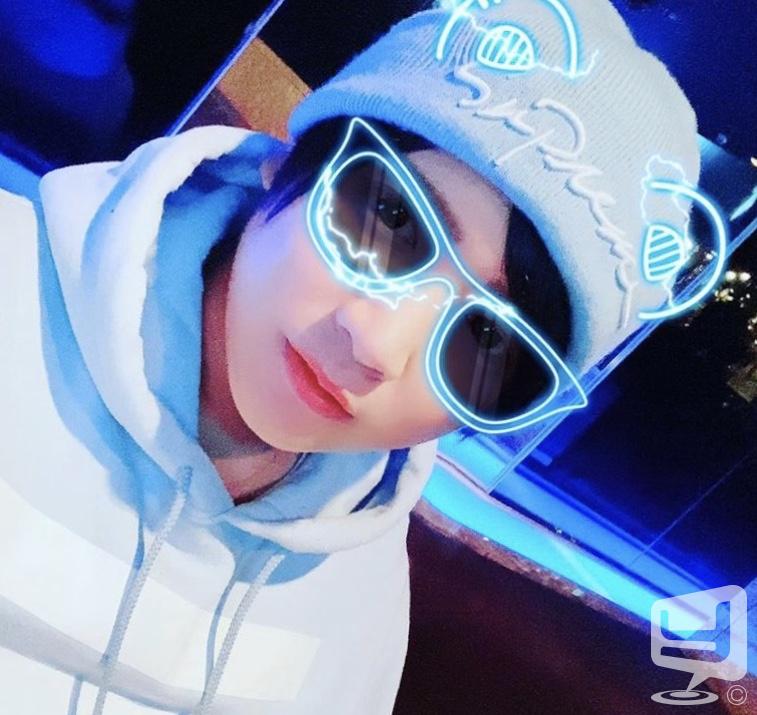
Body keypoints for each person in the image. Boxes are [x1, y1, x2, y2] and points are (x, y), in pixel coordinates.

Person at [0, 0, 700, 713]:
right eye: (390, 221)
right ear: (288, 161)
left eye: (485, 339)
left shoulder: (360, 577)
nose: (377, 343)